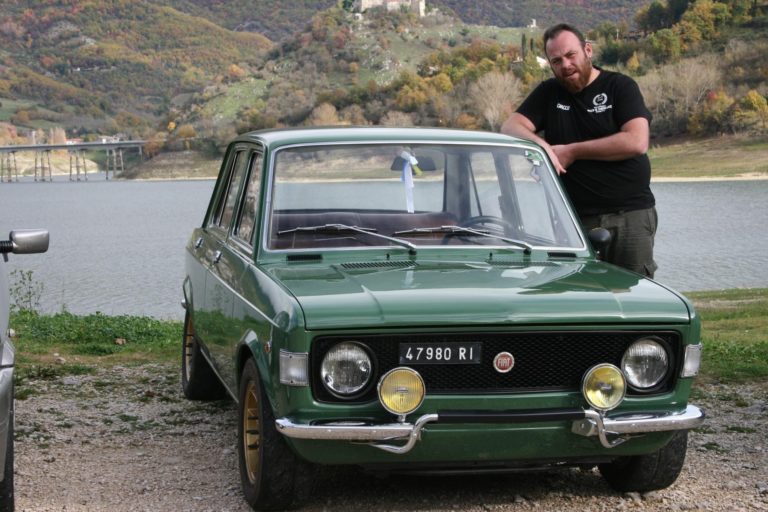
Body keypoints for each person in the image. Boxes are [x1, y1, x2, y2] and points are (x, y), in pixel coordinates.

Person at [501, 23, 658, 278]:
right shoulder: (549, 93)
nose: (565, 65)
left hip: (629, 215)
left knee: (632, 292)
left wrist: (571, 152)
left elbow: (637, 141)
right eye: (556, 60)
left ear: (587, 50)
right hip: (573, 222)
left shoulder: (620, 86)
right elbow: (510, 127)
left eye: (570, 55)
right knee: (580, 293)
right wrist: (544, 149)